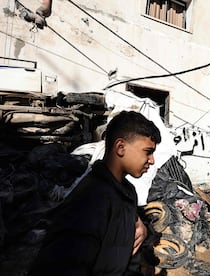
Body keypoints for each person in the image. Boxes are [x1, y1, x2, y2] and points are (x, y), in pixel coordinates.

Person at [29, 110, 161, 275]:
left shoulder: (127, 192)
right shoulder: (91, 201)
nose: (152, 160)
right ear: (121, 147)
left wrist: (145, 230)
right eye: (147, 151)